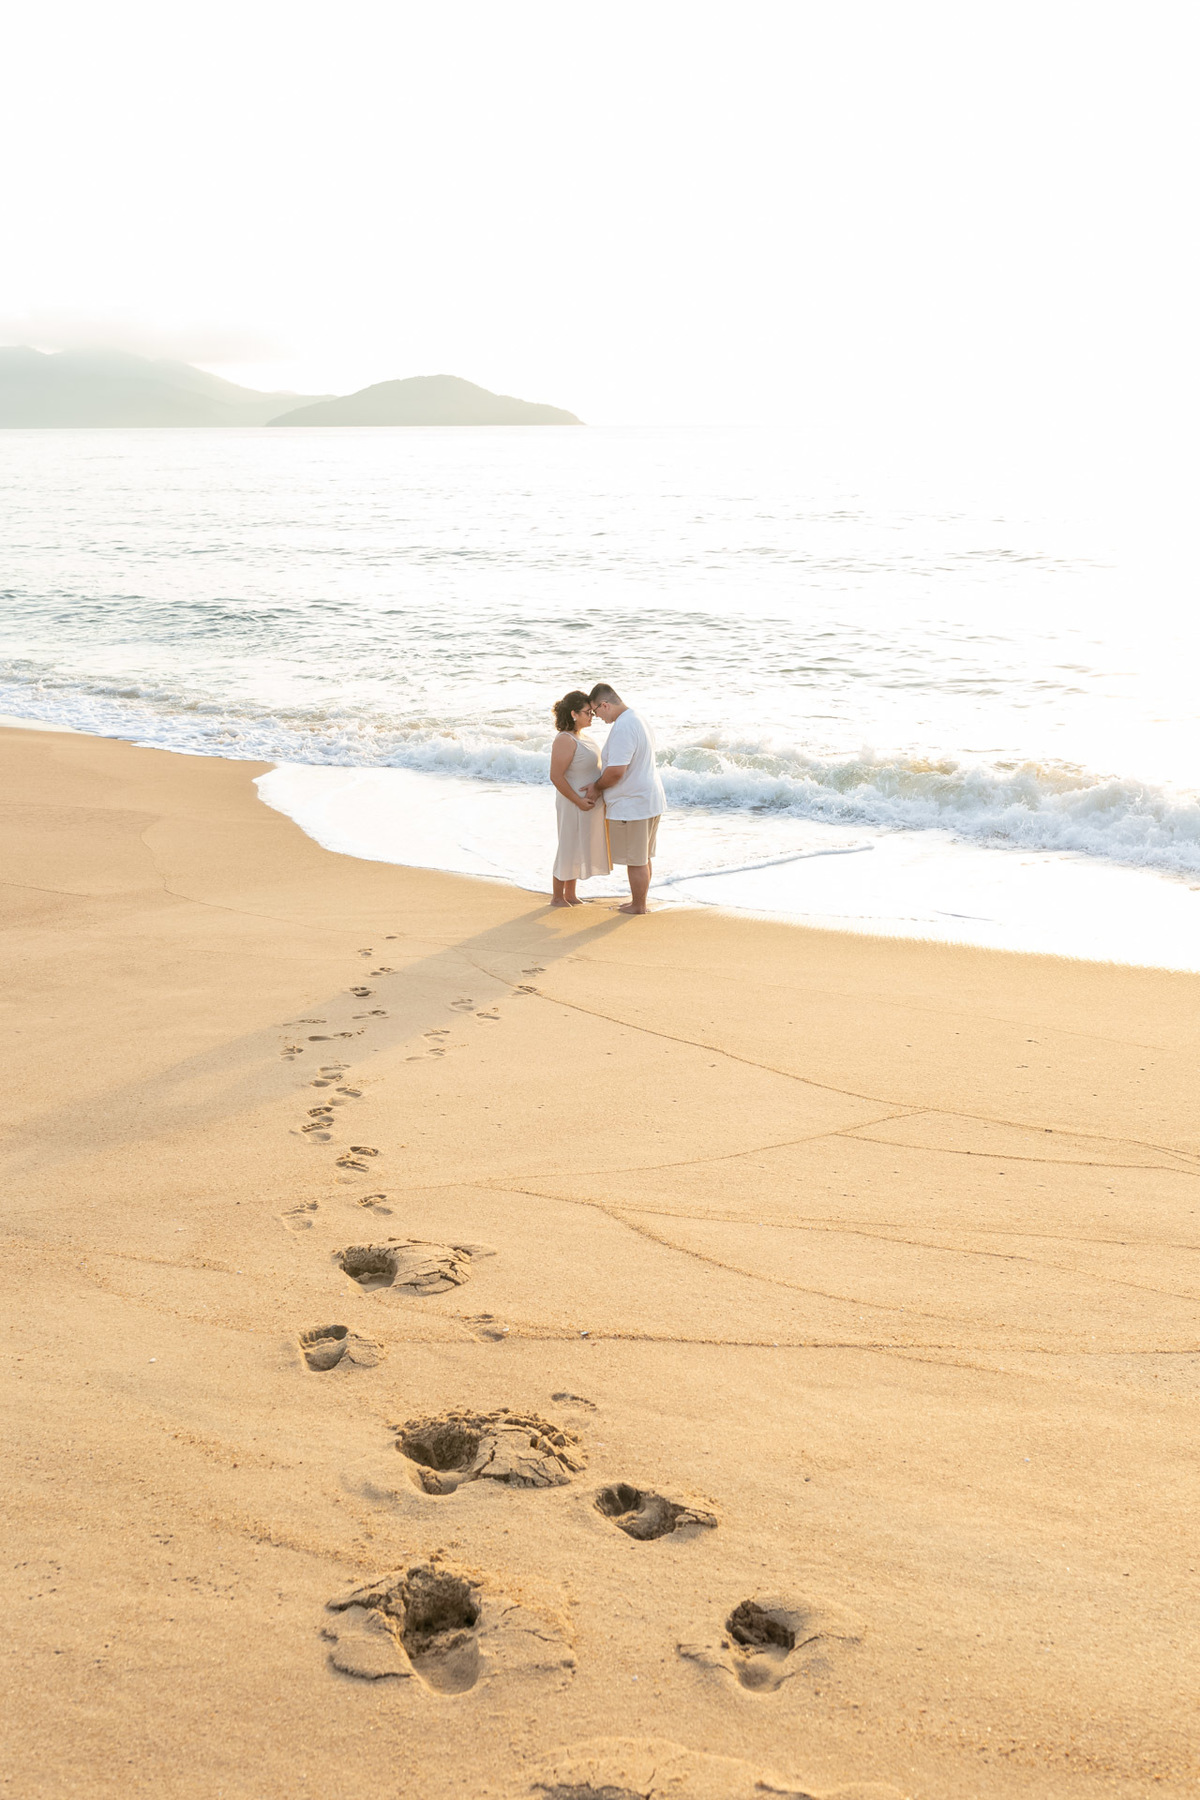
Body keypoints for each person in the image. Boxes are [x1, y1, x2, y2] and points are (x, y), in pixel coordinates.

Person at [585, 683, 666, 914]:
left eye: (595, 711)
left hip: (633, 803)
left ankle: (639, 906)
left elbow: (616, 772)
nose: (596, 716)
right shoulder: (637, 718)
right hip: (648, 799)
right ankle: (638, 901)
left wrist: (596, 787)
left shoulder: (624, 726)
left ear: (605, 705)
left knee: (636, 860)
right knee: (642, 856)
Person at [549, 690, 611, 906]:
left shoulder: (583, 737)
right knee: (568, 844)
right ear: (574, 714)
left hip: (586, 803)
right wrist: (577, 800)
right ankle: (557, 896)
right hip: (572, 802)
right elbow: (555, 776)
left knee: (578, 845)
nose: (591, 716)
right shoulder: (565, 740)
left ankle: (571, 894)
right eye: (588, 712)